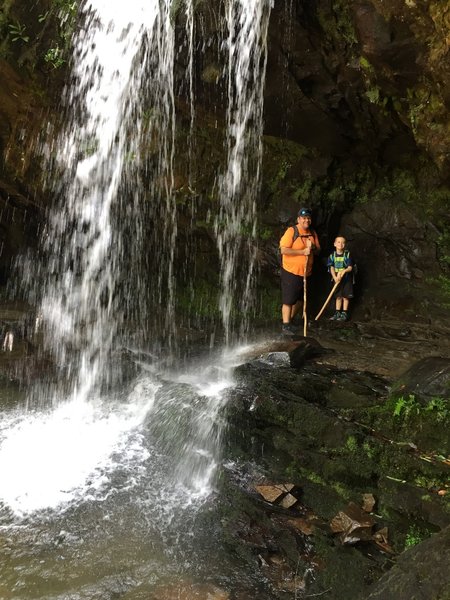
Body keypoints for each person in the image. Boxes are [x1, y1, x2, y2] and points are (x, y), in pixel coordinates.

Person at [279, 207, 321, 335]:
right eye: (304, 218)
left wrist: (312, 247)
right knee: (288, 300)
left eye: (308, 218)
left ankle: (289, 321)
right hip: (290, 271)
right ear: (298, 219)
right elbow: (284, 250)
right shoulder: (292, 231)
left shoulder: (312, 233)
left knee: (300, 300)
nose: (306, 220)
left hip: (305, 273)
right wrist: (302, 252)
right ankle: (286, 326)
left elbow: (319, 250)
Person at [327, 236, 354, 321]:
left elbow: (350, 268)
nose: (340, 244)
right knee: (338, 296)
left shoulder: (347, 255)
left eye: (343, 242)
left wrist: (343, 271)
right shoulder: (332, 256)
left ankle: (344, 313)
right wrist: (335, 277)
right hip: (337, 280)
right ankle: (337, 313)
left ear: (345, 245)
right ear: (335, 244)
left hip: (346, 280)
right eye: (338, 242)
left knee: (345, 296)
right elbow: (331, 268)